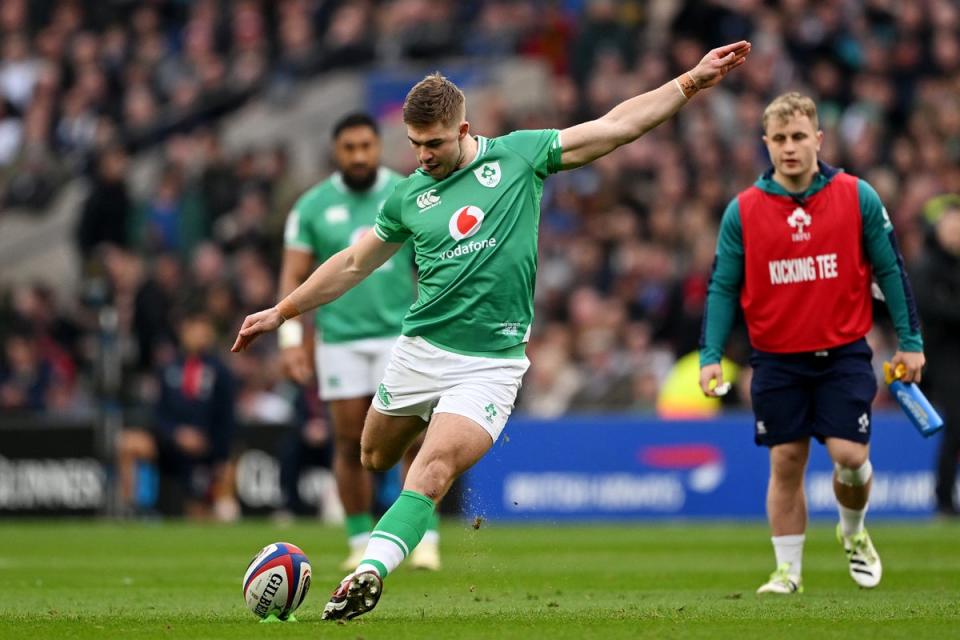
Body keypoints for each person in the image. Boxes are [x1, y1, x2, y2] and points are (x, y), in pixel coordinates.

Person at [233, 40, 751, 620]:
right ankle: (424, 436)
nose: (423, 155)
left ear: (464, 129)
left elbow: (614, 127)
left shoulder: (520, 157)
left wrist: (688, 82)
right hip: (420, 350)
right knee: (374, 455)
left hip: (490, 365)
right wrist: (284, 312)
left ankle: (369, 572)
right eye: (414, 144)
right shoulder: (408, 196)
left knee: (430, 472)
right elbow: (354, 263)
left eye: (434, 143)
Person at [698, 92, 926, 595]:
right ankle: (788, 572)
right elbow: (722, 287)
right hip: (777, 358)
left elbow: (890, 269)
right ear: (766, 144)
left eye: (799, 136)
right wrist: (711, 356)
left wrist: (910, 341)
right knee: (786, 462)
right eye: (779, 139)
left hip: (843, 351)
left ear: (818, 139)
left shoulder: (856, 195)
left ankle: (853, 532)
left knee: (849, 455)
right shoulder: (744, 211)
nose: (789, 147)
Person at [278, 112, 440, 570]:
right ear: (337, 151)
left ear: (379, 146)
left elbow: (427, 267)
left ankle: (424, 539)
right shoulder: (310, 207)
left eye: (366, 146)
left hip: (401, 336)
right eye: (350, 148)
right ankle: (357, 540)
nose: (359, 156)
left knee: (413, 439)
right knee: (350, 443)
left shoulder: (409, 191)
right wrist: (291, 340)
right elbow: (292, 277)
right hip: (340, 341)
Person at [117, 310, 238, 520]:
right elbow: (158, 413)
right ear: (184, 331)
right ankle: (133, 511)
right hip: (171, 445)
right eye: (194, 328)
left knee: (201, 514)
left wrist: (218, 452)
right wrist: (176, 435)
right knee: (128, 443)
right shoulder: (168, 368)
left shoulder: (221, 372)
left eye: (203, 328)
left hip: (204, 450)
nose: (199, 334)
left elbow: (227, 418)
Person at [912, 195, 960, 517]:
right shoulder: (925, 266)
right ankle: (943, 498)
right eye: (951, 226)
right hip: (942, 355)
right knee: (956, 421)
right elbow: (931, 308)